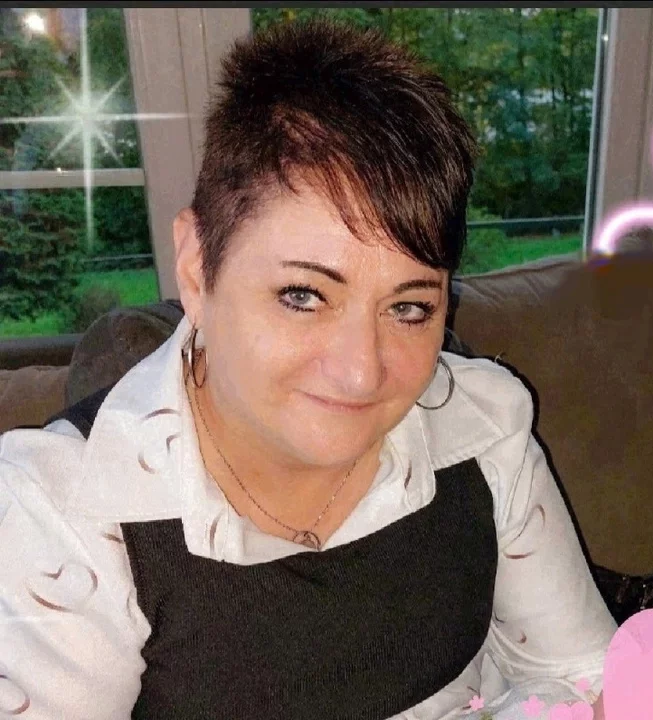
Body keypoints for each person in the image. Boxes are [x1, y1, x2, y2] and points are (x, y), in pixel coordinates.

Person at [0, 19, 617, 719]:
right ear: (197, 267)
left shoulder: (481, 427)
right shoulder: (63, 518)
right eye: (303, 296)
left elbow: (584, 678)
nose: (361, 373)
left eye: (409, 307)